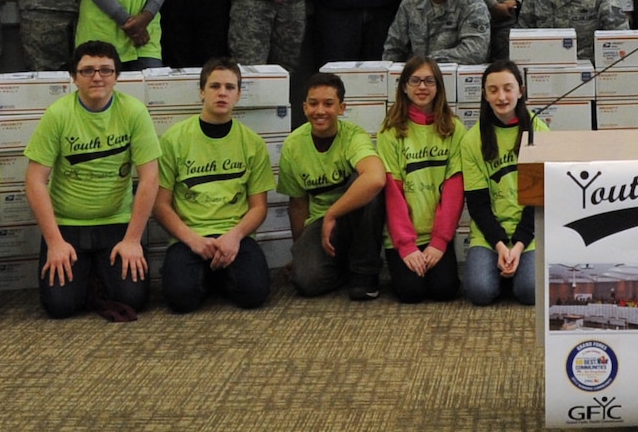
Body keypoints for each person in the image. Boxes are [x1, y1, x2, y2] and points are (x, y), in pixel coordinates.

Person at [23, 43, 162, 320]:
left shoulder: (134, 111)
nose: (97, 77)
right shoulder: (58, 114)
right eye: (87, 70)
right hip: (67, 225)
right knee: (60, 306)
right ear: (74, 77)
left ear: (116, 75)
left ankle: (96, 274)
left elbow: (150, 177)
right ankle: (91, 276)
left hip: (117, 222)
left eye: (105, 70)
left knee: (134, 298)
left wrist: (133, 239)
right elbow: (35, 181)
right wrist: (54, 242)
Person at [154, 59, 275, 313]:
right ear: (202, 91)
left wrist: (234, 236)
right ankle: (208, 274)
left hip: (235, 236)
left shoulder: (252, 143)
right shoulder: (174, 139)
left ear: (239, 94)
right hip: (189, 237)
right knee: (180, 300)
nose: (222, 93)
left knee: (255, 295)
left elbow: (258, 207)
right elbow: (161, 205)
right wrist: (193, 240)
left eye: (230, 87)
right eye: (215, 86)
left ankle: (215, 273)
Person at [280, 72, 387, 300]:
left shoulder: (354, 136)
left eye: (328, 104)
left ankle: (364, 273)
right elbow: (298, 204)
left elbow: (376, 178)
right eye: (313, 103)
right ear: (304, 107)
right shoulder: (292, 145)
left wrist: (332, 213)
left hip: (352, 218)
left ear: (341, 107)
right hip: (318, 224)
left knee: (365, 184)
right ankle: (344, 266)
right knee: (306, 282)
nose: (320, 111)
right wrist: (300, 253)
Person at [377, 57, 465, 303]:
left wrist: (439, 241)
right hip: (403, 235)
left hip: (436, 234)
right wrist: (405, 245)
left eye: (429, 81)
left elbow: (454, 188)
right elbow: (392, 192)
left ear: (438, 87)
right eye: (414, 80)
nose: (422, 87)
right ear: (404, 87)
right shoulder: (390, 131)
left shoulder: (454, 128)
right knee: (411, 293)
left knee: (444, 291)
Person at [460, 60, 542, 306]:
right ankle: (504, 269)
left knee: (531, 292)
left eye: (508, 88)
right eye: (493, 90)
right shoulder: (472, 139)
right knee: (479, 292)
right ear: (484, 95)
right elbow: (477, 204)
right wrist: (499, 245)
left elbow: (539, 200)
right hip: (489, 236)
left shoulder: (540, 131)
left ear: (521, 90)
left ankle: (515, 270)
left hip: (530, 234)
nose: (502, 96)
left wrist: (517, 246)